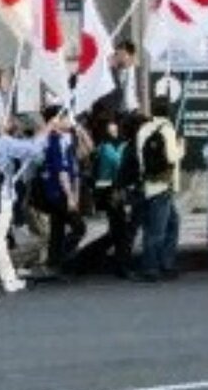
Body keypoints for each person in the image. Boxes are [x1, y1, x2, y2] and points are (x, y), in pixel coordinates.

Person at [0, 116, 50, 299]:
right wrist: (44, 133)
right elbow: (33, 151)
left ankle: (9, 279)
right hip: (0, 197)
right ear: (0, 125)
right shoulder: (3, 141)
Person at [136, 97, 184, 282]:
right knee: (157, 230)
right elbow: (172, 157)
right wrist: (181, 149)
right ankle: (152, 268)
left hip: (149, 182)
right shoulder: (168, 129)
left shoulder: (144, 129)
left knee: (171, 223)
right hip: (163, 184)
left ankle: (165, 263)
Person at [39, 106, 86, 278]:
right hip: (58, 192)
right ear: (55, 121)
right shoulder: (54, 140)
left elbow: (84, 153)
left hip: (58, 191)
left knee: (57, 228)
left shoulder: (65, 139)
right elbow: (61, 172)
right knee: (79, 227)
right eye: (65, 117)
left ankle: (53, 263)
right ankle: (64, 259)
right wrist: (70, 197)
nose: (69, 120)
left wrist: (80, 132)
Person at [93, 119, 134, 279]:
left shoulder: (110, 146)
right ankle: (120, 265)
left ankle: (119, 262)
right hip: (110, 192)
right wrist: (125, 150)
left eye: (116, 131)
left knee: (118, 228)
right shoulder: (106, 147)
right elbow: (117, 163)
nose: (114, 135)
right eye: (111, 132)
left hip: (114, 190)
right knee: (119, 228)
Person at [111, 41, 141, 116]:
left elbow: (142, 91)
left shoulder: (136, 70)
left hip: (132, 109)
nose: (117, 56)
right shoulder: (114, 71)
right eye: (117, 54)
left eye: (122, 54)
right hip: (118, 110)